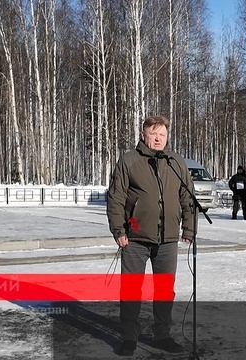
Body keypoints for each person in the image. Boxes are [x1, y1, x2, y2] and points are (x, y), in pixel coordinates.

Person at [107, 115, 194, 356]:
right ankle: (128, 338)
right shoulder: (129, 161)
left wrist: (189, 227)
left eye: (162, 134)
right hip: (135, 237)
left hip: (167, 239)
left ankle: (163, 335)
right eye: (153, 133)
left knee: (165, 290)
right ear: (143, 135)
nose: (158, 138)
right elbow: (116, 198)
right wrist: (119, 230)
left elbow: (187, 197)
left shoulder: (176, 162)